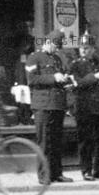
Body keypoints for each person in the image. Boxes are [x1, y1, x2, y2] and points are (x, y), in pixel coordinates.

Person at [25, 29, 73, 183]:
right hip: (43, 105)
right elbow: (32, 80)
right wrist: (53, 77)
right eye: (55, 45)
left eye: (58, 46)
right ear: (47, 42)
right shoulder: (34, 57)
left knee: (57, 142)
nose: (56, 49)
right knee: (44, 142)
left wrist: (65, 81)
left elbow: (60, 79)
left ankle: (57, 173)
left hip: (57, 105)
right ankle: (44, 175)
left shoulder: (57, 59)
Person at [70, 36, 99, 180]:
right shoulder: (75, 65)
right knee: (86, 141)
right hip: (85, 108)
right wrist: (95, 76)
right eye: (82, 47)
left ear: (93, 49)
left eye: (87, 47)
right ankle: (86, 170)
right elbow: (78, 84)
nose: (84, 50)